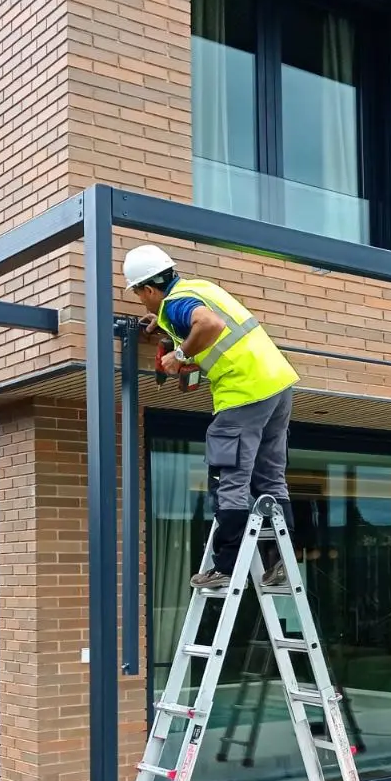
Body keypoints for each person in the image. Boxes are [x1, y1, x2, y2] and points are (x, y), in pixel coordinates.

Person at [124, 245, 300, 589]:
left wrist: (178, 353)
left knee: (229, 477)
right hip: (278, 386)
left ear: (148, 289)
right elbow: (205, 320)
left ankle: (226, 568)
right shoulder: (199, 288)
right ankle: (281, 561)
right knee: (271, 477)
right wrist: (164, 328)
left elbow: (209, 323)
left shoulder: (176, 303)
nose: (141, 302)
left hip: (243, 392)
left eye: (139, 295)